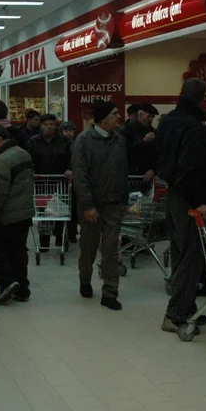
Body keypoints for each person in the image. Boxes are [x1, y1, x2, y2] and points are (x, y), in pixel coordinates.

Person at [156, 79, 206, 333]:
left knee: (179, 253)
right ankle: (175, 314)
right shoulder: (194, 127)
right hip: (189, 198)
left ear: (181, 93)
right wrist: (199, 202)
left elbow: (167, 160)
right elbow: (191, 167)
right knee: (191, 257)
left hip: (172, 194)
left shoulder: (167, 122)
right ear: (203, 98)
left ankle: (187, 307)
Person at [71, 100, 128, 310]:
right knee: (88, 246)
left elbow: (123, 171)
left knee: (111, 248)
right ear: (103, 119)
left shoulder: (119, 139)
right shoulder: (84, 140)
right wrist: (87, 205)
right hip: (92, 206)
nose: (118, 117)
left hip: (114, 204)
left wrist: (124, 200)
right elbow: (80, 174)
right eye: (115, 114)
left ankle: (110, 292)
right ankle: (85, 279)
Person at [0, 126, 35, 305]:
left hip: (7, 214)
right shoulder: (24, 154)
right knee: (20, 252)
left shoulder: (2, 161)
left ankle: (8, 282)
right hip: (25, 212)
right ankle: (23, 288)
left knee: (0, 250)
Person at [26, 113, 72, 250]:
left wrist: (69, 170)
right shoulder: (33, 142)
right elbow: (28, 160)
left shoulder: (65, 141)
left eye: (52, 124)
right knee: (43, 212)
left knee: (60, 211)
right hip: (41, 182)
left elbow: (71, 159)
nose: (49, 127)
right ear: (41, 126)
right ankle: (44, 241)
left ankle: (60, 239)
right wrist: (32, 173)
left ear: (56, 126)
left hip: (60, 182)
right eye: (46, 124)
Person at [122, 104, 159, 181]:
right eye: (149, 116)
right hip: (130, 174)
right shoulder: (128, 129)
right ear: (140, 114)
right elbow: (124, 150)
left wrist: (153, 169)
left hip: (147, 176)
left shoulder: (153, 131)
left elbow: (158, 154)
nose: (151, 120)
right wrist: (143, 142)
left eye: (153, 117)